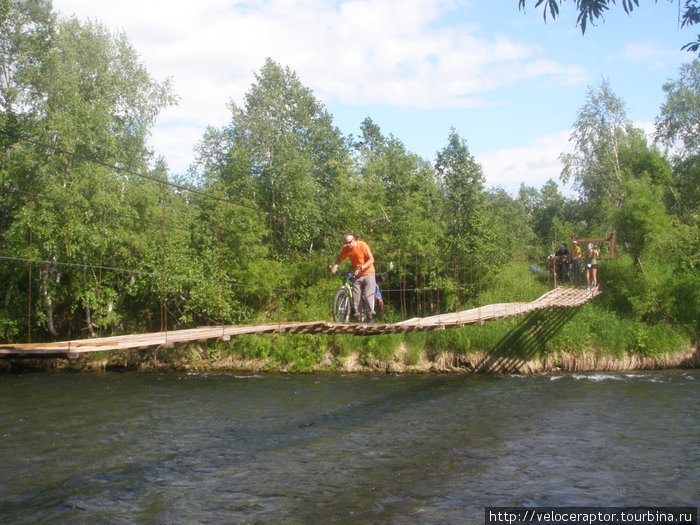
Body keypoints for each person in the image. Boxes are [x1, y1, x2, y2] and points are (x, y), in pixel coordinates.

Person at [331, 234, 376, 322]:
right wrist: (335, 266)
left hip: (368, 273)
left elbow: (371, 260)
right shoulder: (346, 249)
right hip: (357, 274)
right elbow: (339, 258)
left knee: (367, 295)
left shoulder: (362, 245)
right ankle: (359, 320)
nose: (348, 244)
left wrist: (362, 268)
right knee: (356, 297)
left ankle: (370, 318)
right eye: (346, 243)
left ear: (354, 240)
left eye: (349, 242)